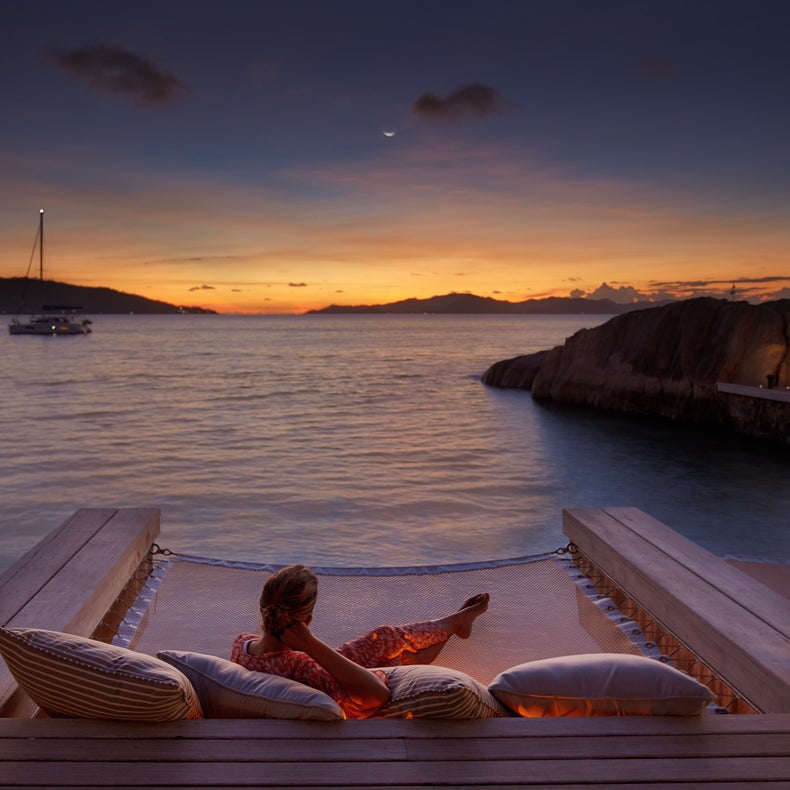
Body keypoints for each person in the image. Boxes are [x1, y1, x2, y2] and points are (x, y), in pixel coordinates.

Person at [230, 564, 489, 719]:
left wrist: (308, 647)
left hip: (319, 664)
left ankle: (454, 623)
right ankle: (454, 625)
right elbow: (377, 695)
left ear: (262, 608)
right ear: (307, 621)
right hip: (338, 686)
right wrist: (309, 644)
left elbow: (273, 657)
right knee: (399, 657)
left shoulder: (241, 645)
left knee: (382, 638)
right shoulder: (303, 667)